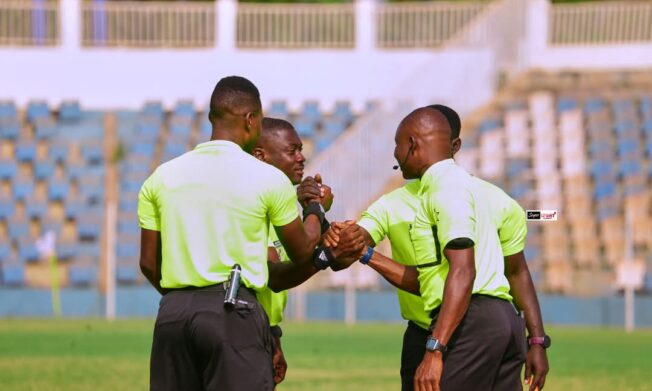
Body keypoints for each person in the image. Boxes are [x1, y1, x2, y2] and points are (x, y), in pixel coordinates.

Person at [138, 76, 360, 390]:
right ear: (250, 119)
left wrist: (185, 298)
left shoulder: (160, 178)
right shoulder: (268, 179)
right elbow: (302, 250)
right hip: (231, 311)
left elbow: (148, 263)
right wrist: (315, 208)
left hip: (171, 314)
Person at [329, 106, 549, 391]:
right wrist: (335, 232)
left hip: (460, 326)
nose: (395, 156)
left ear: (413, 144)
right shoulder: (481, 195)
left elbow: (466, 272)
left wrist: (435, 348)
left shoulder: (448, 190)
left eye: (397, 145)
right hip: (488, 322)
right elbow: (346, 254)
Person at [251, 117, 336, 385]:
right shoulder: (254, 200)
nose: (301, 158)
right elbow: (274, 277)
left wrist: (274, 336)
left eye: (301, 149)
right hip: (242, 331)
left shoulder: (280, 203)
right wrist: (316, 209)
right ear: (260, 156)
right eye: (292, 151)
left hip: (262, 331)